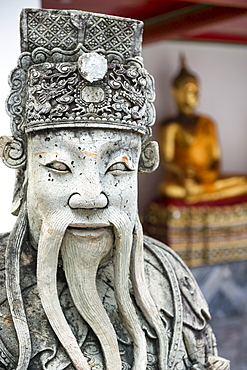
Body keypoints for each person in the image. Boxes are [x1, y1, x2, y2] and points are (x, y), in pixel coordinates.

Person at [0, 8, 229, 370]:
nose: (92, 196)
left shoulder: (169, 275)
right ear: (20, 160)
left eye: (119, 168)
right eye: (59, 166)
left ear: (144, 162)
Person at [159, 55, 247, 203]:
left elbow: (216, 158)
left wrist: (211, 174)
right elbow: (167, 161)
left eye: (197, 90)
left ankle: (199, 194)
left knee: (244, 181)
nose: (196, 95)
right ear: (177, 92)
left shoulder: (208, 123)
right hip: (184, 179)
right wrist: (182, 172)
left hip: (208, 178)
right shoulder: (170, 125)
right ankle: (199, 192)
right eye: (189, 90)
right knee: (168, 188)